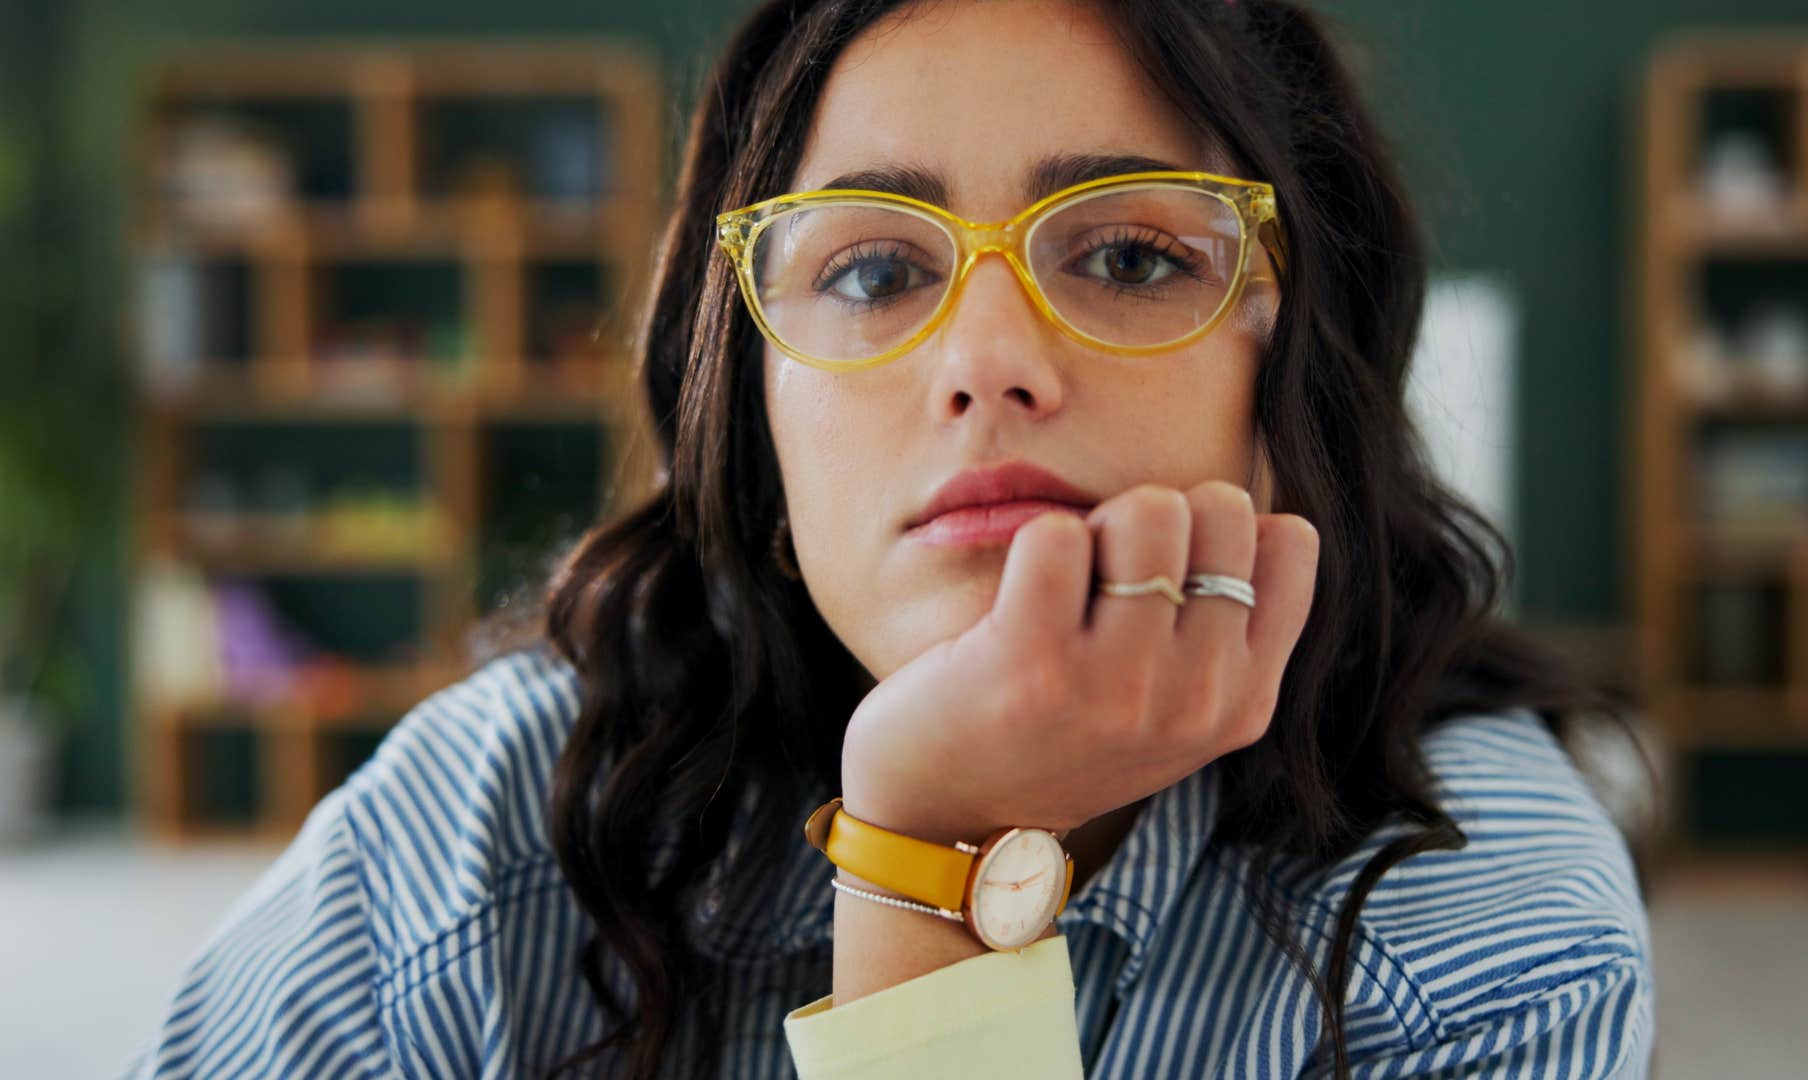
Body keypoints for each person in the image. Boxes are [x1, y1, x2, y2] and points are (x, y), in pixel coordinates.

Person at [125, 0, 1656, 1077]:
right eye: (868, 272)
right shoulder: (483, 836)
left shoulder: (1482, 936)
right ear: (756, 399)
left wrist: (936, 857)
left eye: (1129, 252)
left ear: (1295, 356)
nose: (985, 360)